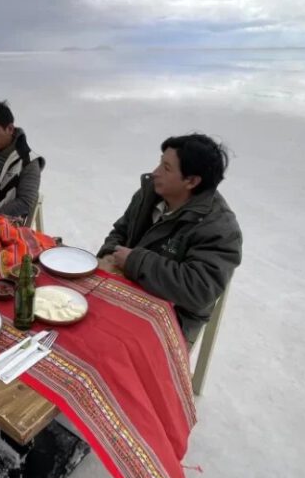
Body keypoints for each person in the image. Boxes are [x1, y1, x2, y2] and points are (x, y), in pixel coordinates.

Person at [97, 133, 242, 346]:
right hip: (124, 290)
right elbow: (120, 231)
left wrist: (136, 261)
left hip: (173, 320)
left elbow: (199, 289)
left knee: (114, 354)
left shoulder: (220, 227)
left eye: (166, 168)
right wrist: (109, 254)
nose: (155, 173)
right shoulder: (150, 194)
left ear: (191, 181)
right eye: (159, 163)